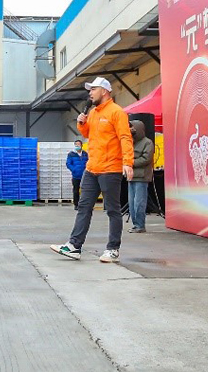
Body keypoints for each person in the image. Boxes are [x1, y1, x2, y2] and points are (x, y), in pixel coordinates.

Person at [50, 77, 134, 264]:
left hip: (110, 168)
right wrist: (82, 123)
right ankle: (74, 246)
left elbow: (125, 137)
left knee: (112, 210)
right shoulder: (94, 112)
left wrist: (128, 162)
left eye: (93, 89)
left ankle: (113, 249)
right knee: (83, 207)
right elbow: (88, 134)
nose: (90, 93)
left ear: (104, 91)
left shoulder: (117, 112)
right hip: (92, 168)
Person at [127, 120, 154, 233]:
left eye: (132, 127)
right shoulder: (130, 142)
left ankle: (140, 225)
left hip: (142, 177)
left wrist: (130, 162)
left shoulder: (147, 142)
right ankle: (135, 224)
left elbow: (146, 159)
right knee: (132, 203)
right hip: (131, 176)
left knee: (139, 203)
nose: (130, 130)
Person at [65, 140, 88, 210]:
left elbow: (88, 162)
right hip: (76, 176)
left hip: (84, 175)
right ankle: (76, 204)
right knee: (76, 190)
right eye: (76, 145)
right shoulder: (71, 154)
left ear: (82, 145)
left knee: (85, 191)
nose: (77, 146)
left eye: (79, 144)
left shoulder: (85, 154)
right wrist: (74, 170)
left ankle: (85, 205)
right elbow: (68, 163)